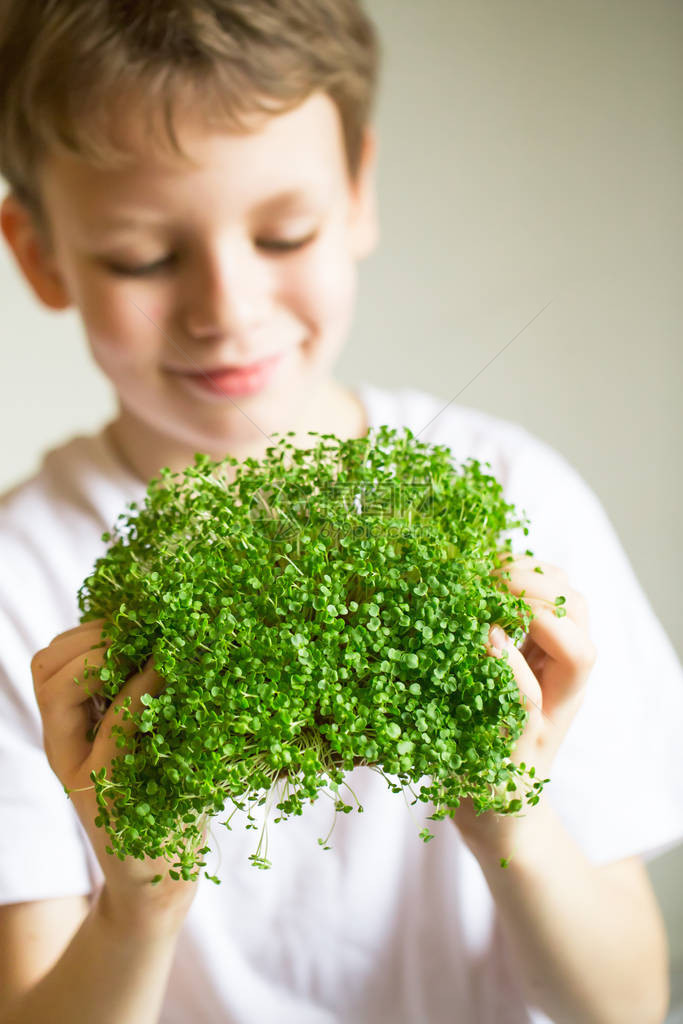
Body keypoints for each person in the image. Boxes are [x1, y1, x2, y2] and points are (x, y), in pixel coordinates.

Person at [0, 3, 681, 1022]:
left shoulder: (512, 497)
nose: (225, 308)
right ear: (40, 255)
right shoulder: (23, 580)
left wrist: (509, 824)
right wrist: (135, 907)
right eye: (142, 255)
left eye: (284, 232)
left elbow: (626, 1004)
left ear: (357, 191)